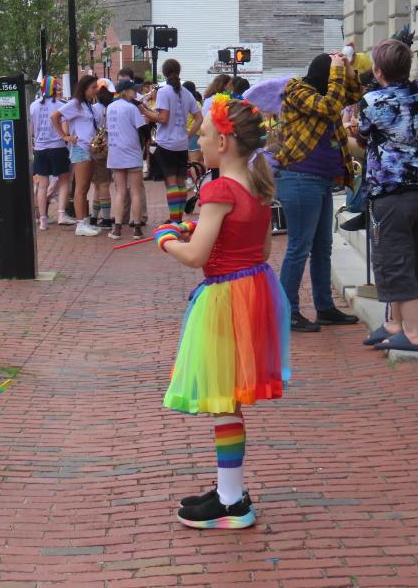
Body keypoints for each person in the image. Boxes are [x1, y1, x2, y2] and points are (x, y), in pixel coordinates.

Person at [156, 94, 290, 529]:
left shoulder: (218, 188)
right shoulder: (257, 186)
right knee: (228, 398)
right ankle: (229, 487)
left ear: (226, 143)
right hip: (254, 292)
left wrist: (166, 236)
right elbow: (262, 248)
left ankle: (233, 501)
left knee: (222, 401)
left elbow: (196, 256)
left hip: (224, 299)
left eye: (206, 134)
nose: (200, 138)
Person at [357, 39, 418, 351]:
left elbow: (362, 137)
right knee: (416, 258)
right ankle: (394, 323)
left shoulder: (371, 101)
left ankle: (413, 333)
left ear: (378, 71)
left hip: (393, 191)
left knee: (394, 261)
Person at [276, 52, 363, 332]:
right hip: (300, 178)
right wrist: (337, 72)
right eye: (334, 73)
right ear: (325, 75)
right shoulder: (298, 91)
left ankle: (324, 307)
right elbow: (329, 107)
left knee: (323, 248)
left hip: (322, 180)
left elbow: (353, 95)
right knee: (299, 248)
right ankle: (287, 311)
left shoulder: (330, 89)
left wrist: (347, 70)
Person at [139, 59, 202, 222]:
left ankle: (174, 219)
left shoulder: (164, 92)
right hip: (182, 143)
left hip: (167, 143)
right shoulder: (186, 93)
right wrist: (188, 135)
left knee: (171, 183)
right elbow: (199, 118)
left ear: (165, 72)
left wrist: (144, 111)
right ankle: (178, 217)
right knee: (181, 182)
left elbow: (163, 118)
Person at [52, 75, 101, 236]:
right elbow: (55, 117)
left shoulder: (87, 105)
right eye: (93, 87)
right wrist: (65, 137)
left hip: (89, 148)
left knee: (85, 186)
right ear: (84, 88)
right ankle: (81, 224)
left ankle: (84, 221)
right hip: (80, 148)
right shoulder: (75, 104)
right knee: (80, 187)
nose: (96, 91)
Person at [105, 79, 146, 239]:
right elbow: (142, 129)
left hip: (115, 152)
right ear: (125, 91)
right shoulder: (132, 108)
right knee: (135, 191)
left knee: (120, 192)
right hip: (131, 151)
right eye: (132, 90)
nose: (135, 92)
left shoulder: (109, 108)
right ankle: (136, 228)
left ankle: (117, 228)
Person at [30, 76, 72, 230]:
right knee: (64, 180)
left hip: (40, 149)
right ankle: (61, 213)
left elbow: (31, 130)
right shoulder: (61, 106)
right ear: (55, 89)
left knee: (42, 185)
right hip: (58, 147)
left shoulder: (33, 106)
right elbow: (65, 131)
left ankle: (42, 220)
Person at [90, 81, 116, 228]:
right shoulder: (113, 108)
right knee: (101, 184)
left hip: (98, 147)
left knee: (101, 184)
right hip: (111, 146)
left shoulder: (93, 109)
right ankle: (94, 216)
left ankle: (104, 219)